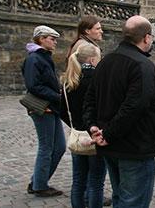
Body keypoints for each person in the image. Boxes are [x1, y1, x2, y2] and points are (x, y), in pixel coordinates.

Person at [82, 16, 155, 208]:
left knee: (120, 197)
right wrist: (106, 133)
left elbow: (89, 100)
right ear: (146, 38)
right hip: (134, 146)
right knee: (133, 202)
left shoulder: (105, 61)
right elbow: (134, 107)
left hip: (111, 144)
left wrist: (92, 126)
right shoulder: (142, 65)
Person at [60, 43, 106, 208]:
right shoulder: (98, 80)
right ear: (93, 59)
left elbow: (62, 110)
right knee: (95, 182)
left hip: (77, 135)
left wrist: (75, 125)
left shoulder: (70, 81)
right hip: (95, 135)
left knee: (78, 181)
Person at [22, 25, 65, 197]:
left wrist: (59, 90)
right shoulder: (35, 59)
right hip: (42, 107)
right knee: (47, 147)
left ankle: (37, 180)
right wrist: (56, 95)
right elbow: (33, 85)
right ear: (41, 39)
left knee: (59, 146)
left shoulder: (44, 57)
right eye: (51, 38)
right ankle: (39, 185)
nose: (55, 42)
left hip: (51, 106)